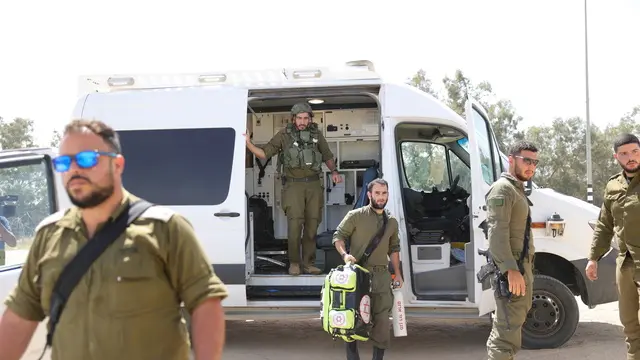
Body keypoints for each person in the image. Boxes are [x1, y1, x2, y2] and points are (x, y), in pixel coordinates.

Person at [0, 119, 228, 360]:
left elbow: (206, 305)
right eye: (64, 162)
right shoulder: (48, 235)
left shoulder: (166, 229)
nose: (75, 169)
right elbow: (18, 319)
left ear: (117, 165)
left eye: (87, 159)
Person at [245, 102, 342, 275]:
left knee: (312, 225)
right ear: (293, 119)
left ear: (310, 119)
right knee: (295, 226)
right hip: (293, 185)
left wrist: (334, 171)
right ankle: (295, 263)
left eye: (306, 118)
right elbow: (264, 153)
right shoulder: (284, 135)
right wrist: (248, 143)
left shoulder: (317, 135)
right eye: (299, 118)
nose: (303, 121)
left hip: (313, 184)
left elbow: (327, 156)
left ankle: (308, 263)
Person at [332, 178, 402, 360]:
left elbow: (394, 249)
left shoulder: (392, 222)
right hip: (358, 276)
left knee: (381, 322)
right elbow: (338, 236)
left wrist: (398, 274)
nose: (381, 197)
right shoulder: (355, 215)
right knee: (353, 319)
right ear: (369, 194)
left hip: (381, 277)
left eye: (384, 193)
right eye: (377, 193)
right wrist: (345, 255)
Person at [586, 133, 640, 360]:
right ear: (616, 156)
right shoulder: (612, 186)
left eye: (635, 151)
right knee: (629, 324)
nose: (631, 157)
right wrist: (593, 258)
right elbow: (604, 225)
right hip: (625, 263)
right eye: (624, 153)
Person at [485, 141, 539, 360]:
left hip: (520, 269)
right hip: (512, 271)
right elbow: (496, 234)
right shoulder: (503, 189)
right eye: (526, 160)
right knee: (505, 335)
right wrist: (510, 270)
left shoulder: (516, 189)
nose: (531, 167)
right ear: (511, 159)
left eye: (535, 162)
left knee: (511, 327)